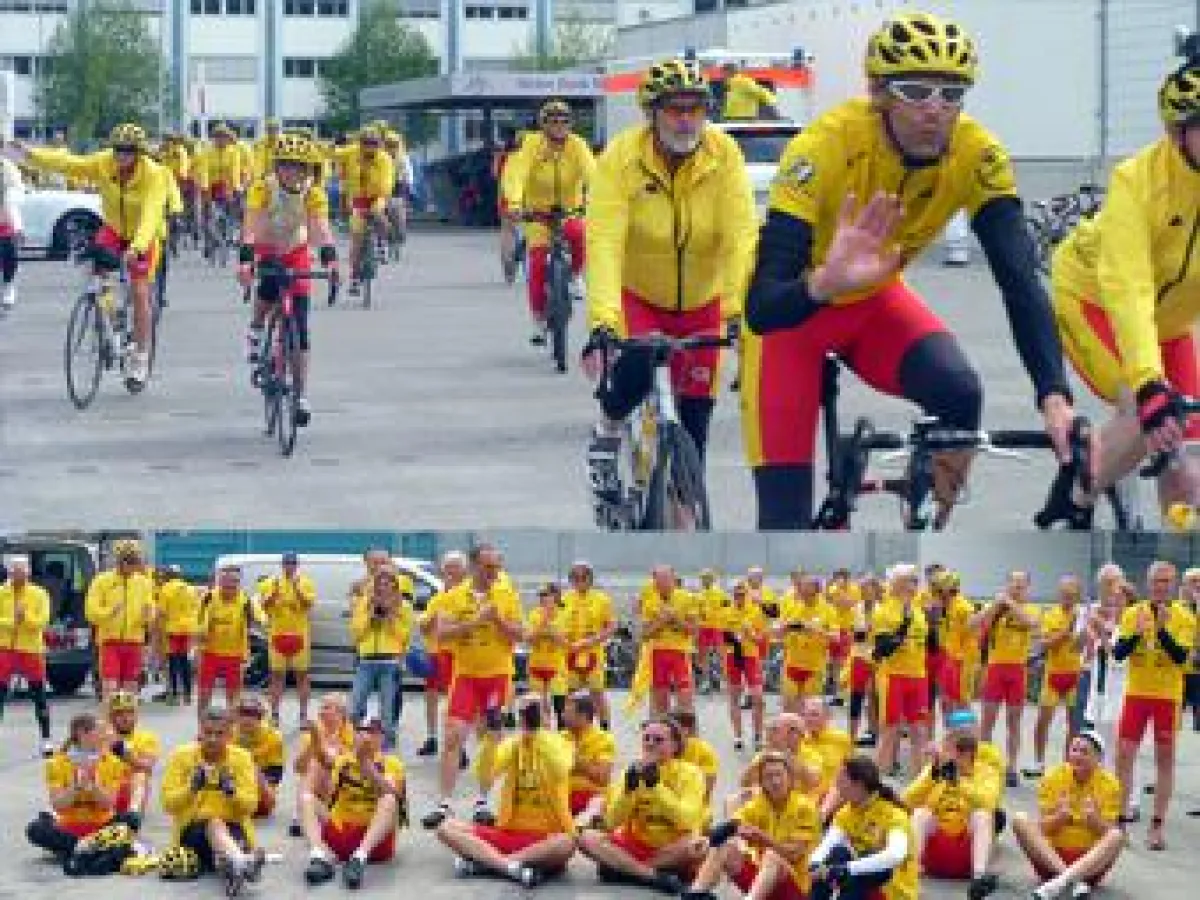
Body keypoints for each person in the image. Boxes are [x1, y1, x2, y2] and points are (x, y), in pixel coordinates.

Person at [742, 10, 1082, 529]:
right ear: (878, 93)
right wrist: (825, 283)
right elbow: (762, 307)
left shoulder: (977, 154)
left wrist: (1053, 395)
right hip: (794, 317)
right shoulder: (823, 145)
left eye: (951, 94)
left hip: (875, 303)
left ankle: (929, 532)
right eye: (916, 90)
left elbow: (1019, 280)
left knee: (960, 395)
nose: (935, 110)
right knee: (783, 524)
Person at [582, 57, 756, 510]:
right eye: (674, 109)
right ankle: (609, 429)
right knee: (634, 371)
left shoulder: (725, 156)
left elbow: (742, 237)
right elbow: (603, 242)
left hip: (704, 298)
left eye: (695, 108)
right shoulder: (620, 159)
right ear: (652, 114)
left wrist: (739, 312)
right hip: (639, 293)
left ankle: (684, 517)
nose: (685, 119)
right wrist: (603, 320)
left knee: (695, 422)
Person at [1049, 51, 1200, 516]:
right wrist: (1148, 384)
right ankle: (1074, 499)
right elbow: (1129, 290)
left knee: (1190, 460)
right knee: (1145, 415)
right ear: (1178, 135)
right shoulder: (1136, 183)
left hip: (1170, 324)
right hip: (1094, 301)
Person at [10, 124, 168, 387]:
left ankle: (140, 356)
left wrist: (137, 247)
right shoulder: (104, 163)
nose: (121, 155)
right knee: (96, 269)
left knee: (140, 292)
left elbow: (151, 214)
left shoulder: (155, 175)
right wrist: (31, 154)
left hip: (143, 235)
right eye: (118, 149)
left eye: (128, 151)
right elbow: (69, 163)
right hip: (115, 229)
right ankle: (106, 312)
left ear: (139, 153)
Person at [238, 133, 339, 426]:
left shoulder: (313, 192)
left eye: (298, 166)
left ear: (307, 169)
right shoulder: (262, 189)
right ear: (276, 167)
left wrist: (330, 259)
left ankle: (301, 394)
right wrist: (246, 261)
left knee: (301, 328)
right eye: (285, 165)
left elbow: (320, 229)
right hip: (266, 247)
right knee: (268, 289)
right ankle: (256, 331)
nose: (291, 172)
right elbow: (251, 227)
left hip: (295, 250)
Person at [421, 543, 523, 830]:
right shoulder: (454, 596)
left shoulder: (506, 594)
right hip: (465, 676)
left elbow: (521, 633)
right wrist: (475, 622)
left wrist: (498, 620)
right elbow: (441, 633)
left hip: (496, 676)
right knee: (453, 736)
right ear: (475, 567)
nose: (494, 572)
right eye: (488, 567)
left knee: (490, 736)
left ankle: (484, 801)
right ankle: (444, 803)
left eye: (497, 567)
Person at [434, 692, 577, 888]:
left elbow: (561, 769)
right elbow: (486, 774)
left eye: (534, 711)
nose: (530, 717)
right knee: (445, 828)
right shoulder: (513, 745)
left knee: (567, 843)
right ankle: (508, 866)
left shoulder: (562, 743)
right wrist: (492, 737)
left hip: (545, 839)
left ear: (548, 716)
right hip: (508, 833)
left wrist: (537, 734)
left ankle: (487, 864)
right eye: (526, 712)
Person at [1111, 560, 1196, 850]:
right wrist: (1137, 632)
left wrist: (1160, 630)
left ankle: (1157, 826)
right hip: (1137, 693)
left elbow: (1179, 657)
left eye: (1167, 581)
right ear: (1148, 583)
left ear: (1173, 585)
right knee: (1123, 755)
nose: (1161, 586)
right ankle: (1119, 822)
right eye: (1157, 581)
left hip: (1167, 696)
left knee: (1165, 759)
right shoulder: (1133, 612)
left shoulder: (1184, 615)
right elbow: (1119, 653)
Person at [577, 716, 707, 894]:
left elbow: (687, 820)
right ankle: (652, 876)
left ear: (675, 746)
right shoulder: (630, 771)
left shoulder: (691, 773)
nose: (650, 744)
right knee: (586, 838)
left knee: (699, 845)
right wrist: (628, 791)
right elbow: (612, 823)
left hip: (672, 848)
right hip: (636, 844)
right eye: (646, 738)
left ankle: (626, 871)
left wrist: (656, 787)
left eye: (658, 740)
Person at [500, 98, 594, 345]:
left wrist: (597, 199)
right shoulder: (530, 145)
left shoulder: (578, 145)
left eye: (564, 121)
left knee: (578, 232)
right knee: (538, 266)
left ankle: (574, 275)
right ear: (543, 125)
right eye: (552, 122)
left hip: (570, 210)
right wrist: (514, 203)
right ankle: (539, 320)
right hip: (537, 214)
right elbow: (515, 174)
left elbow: (592, 173)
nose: (559, 126)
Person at [683, 750, 819, 900]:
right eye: (769, 777)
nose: (775, 781)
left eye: (779, 775)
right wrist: (706, 841)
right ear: (761, 783)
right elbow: (734, 823)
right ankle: (695, 893)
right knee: (725, 845)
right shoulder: (759, 803)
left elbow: (793, 855)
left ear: (790, 778)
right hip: (762, 880)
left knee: (772, 856)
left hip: (795, 887)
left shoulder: (805, 807)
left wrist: (763, 839)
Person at [161, 707, 265, 897]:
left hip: (234, 828)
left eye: (219, 734)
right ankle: (241, 861)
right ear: (199, 731)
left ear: (230, 735)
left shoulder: (241, 757)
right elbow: (167, 804)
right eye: (208, 732)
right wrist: (191, 789)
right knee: (214, 823)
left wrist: (232, 792)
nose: (213, 739)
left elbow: (251, 805)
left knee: (222, 842)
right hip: (191, 831)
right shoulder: (181, 756)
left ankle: (235, 867)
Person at [1011, 731, 1125, 900]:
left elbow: (1108, 833)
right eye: (1074, 750)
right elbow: (1040, 829)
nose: (1077, 756)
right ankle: (1067, 880)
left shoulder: (1110, 784)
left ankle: (1058, 884)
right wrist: (1059, 818)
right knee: (1020, 819)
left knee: (1117, 835)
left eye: (1084, 752)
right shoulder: (1053, 777)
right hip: (1050, 860)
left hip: (1089, 866)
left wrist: (1095, 821)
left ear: (1098, 758)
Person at [301, 716, 407, 889]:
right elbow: (320, 757)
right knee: (307, 799)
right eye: (361, 731)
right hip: (341, 834)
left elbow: (393, 794)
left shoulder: (392, 763)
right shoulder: (343, 760)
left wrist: (366, 764)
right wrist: (315, 734)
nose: (365, 736)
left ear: (381, 737)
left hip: (374, 842)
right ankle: (320, 857)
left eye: (372, 732)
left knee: (389, 799)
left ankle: (358, 860)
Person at [905, 729, 1001, 899]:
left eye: (948, 750)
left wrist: (958, 781)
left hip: (967, 840)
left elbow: (988, 802)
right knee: (920, 814)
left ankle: (979, 878)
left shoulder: (987, 772)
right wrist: (932, 775)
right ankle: (909, 872)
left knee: (982, 816)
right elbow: (907, 800)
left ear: (966, 754)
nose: (943, 755)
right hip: (938, 840)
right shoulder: (935, 769)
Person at [807, 755, 918, 900]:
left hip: (892, 891)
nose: (836, 786)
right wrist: (815, 864)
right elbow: (827, 845)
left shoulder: (893, 814)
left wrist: (848, 869)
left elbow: (895, 855)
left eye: (841, 781)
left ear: (858, 785)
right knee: (836, 854)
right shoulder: (846, 812)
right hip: (861, 887)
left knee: (861, 865)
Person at [27, 713, 127, 860]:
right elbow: (58, 805)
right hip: (68, 825)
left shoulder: (113, 762)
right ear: (82, 733)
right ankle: (83, 846)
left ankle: (75, 848)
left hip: (101, 824)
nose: (104, 737)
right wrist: (75, 787)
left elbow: (109, 805)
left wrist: (93, 787)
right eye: (100, 732)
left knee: (131, 819)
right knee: (35, 829)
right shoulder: (56, 763)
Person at [973, 572, 1041, 787]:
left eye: (1021, 586)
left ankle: (1011, 767)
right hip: (996, 668)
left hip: (1017, 669)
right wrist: (995, 606)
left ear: (1027, 588)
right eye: (1014, 585)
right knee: (987, 721)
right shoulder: (997, 607)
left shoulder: (1031, 608)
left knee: (1014, 721)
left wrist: (1010, 603)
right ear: (1007, 585)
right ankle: (983, 764)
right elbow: (973, 623)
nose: (1017, 589)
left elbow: (1031, 623)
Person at [871, 564, 931, 777]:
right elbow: (883, 649)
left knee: (920, 731)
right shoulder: (884, 609)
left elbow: (925, 643)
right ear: (896, 583)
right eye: (909, 580)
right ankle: (875, 786)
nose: (914, 585)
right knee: (890, 732)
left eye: (916, 580)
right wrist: (904, 622)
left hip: (919, 676)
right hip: (893, 676)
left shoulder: (918, 609)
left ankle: (922, 784)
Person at [348, 566, 414, 752]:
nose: (383, 586)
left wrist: (390, 616)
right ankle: (352, 742)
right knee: (354, 706)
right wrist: (370, 615)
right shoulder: (363, 602)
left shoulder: (404, 607)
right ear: (374, 584)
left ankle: (387, 748)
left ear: (395, 585)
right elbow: (356, 634)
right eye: (380, 582)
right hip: (366, 661)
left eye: (388, 583)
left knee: (387, 711)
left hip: (390, 662)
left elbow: (404, 637)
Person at [1026, 576, 1086, 777]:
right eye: (1064, 594)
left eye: (1071, 594)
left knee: (1074, 724)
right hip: (1053, 673)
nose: (1067, 598)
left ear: (1078, 595)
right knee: (1043, 720)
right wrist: (1067, 631)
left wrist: (1080, 631)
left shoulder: (1084, 616)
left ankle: (1069, 764)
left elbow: (1083, 645)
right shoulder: (1051, 614)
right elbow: (1045, 644)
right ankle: (1039, 762)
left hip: (1075, 674)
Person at [85, 539, 157, 698]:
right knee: (110, 689)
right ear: (119, 561)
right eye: (129, 561)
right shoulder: (101, 581)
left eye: (135, 561)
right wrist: (110, 612)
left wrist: (149, 615)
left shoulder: (144, 583)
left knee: (130, 690)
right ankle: (109, 722)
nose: (134, 566)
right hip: (110, 641)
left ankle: (129, 722)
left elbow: (150, 608)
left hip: (134, 641)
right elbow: (91, 611)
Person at [254, 552, 316, 725]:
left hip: (299, 636)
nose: (289, 567)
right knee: (276, 675)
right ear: (282, 565)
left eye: (292, 564)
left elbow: (308, 605)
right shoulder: (270, 583)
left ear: (297, 565)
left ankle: (303, 715)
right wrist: (273, 595)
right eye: (287, 563)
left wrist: (297, 589)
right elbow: (264, 607)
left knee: (302, 676)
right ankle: (274, 714)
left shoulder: (306, 582)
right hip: (277, 635)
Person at [416, 550, 469, 758]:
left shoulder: (468, 596)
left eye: (455, 566)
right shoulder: (437, 597)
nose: (450, 571)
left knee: (456, 701)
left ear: (464, 570)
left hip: (459, 655)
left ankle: (459, 746)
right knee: (431, 697)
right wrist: (431, 620)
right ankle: (432, 738)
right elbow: (424, 626)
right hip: (436, 653)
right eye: (448, 567)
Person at [0, 554, 53, 756]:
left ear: (29, 572)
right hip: (4, 648)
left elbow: (42, 622)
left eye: (22, 572)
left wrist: (26, 618)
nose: (18, 576)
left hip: (31, 649)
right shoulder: (1, 592)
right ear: (9, 572)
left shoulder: (39, 594)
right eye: (14, 572)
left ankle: (46, 739)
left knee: (39, 694)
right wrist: (12, 621)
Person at [334, 125, 394, 295]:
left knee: (377, 212)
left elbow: (387, 184)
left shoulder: (384, 159)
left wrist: (375, 203)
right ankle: (354, 278)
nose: (369, 147)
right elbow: (334, 153)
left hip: (377, 197)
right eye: (365, 143)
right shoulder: (352, 152)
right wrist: (326, 146)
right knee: (356, 239)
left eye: (373, 143)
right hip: (358, 199)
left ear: (378, 144)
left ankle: (383, 243)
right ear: (360, 143)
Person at [196, 564, 263, 716]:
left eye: (233, 584)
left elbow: (258, 619)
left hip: (235, 654)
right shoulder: (209, 598)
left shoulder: (245, 600)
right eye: (225, 584)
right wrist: (199, 641)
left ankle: (231, 728)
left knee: (233, 695)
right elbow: (199, 623)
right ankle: (202, 726)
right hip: (210, 653)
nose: (229, 589)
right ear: (220, 583)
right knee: (204, 692)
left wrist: (260, 617)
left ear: (238, 584)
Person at [638, 564, 700, 716]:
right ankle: (662, 729)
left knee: (685, 697)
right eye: (659, 580)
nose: (663, 583)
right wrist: (661, 622)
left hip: (679, 652)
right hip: (657, 652)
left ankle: (688, 733)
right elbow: (645, 634)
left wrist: (675, 619)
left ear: (674, 579)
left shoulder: (687, 598)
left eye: (666, 579)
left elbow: (694, 630)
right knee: (660, 697)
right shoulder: (650, 600)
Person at [290, 692, 355, 837]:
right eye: (321, 708)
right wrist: (313, 744)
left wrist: (322, 747)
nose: (320, 712)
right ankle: (303, 811)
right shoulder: (312, 733)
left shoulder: (352, 735)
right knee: (312, 765)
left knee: (319, 763)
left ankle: (303, 813)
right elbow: (298, 768)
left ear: (341, 713)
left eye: (326, 708)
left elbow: (344, 768)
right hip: (317, 789)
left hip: (342, 789)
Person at [562, 560, 617, 729]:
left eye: (584, 577)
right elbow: (557, 624)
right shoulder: (564, 599)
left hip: (593, 652)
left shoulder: (602, 599)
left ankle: (604, 728)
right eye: (576, 577)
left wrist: (593, 640)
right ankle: (572, 727)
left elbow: (612, 626)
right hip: (570, 652)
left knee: (597, 692)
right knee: (570, 692)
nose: (580, 580)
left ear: (591, 579)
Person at [777, 573, 837, 712]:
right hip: (792, 663)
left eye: (805, 586)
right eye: (800, 586)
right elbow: (777, 632)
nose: (800, 589)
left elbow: (835, 637)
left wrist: (817, 630)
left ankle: (806, 733)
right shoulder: (792, 607)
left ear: (816, 589)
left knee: (808, 709)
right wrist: (784, 627)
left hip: (814, 667)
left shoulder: (828, 610)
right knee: (788, 708)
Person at [721, 580, 769, 752]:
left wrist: (750, 633)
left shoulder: (756, 612)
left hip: (750, 656)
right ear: (732, 595)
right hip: (733, 656)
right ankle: (738, 735)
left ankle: (757, 735)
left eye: (742, 594)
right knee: (734, 696)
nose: (739, 597)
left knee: (758, 697)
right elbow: (723, 638)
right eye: (736, 594)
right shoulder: (726, 612)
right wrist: (735, 638)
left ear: (747, 594)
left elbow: (760, 639)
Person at [104, 690, 160, 831]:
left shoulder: (147, 738)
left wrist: (123, 752)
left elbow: (147, 765)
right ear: (111, 717)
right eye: (119, 714)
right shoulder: (101, 737)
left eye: (129, 713)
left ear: (136, 715)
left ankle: (132, 814)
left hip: (132, 789)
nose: (125, 718)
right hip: (107, 789)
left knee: (140, 775)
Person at [562, 691, 616, 822]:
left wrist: (576, 761)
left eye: (568, 713)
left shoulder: (603, 739)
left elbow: (603, 778)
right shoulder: (560, 737)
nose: (562, 716)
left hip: (591, 796)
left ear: (583, 716)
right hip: (562, 797)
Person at [232, 695, 285, 820]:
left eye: (253, 715)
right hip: (233, 780)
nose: (247, 719)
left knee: (253, 769)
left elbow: (275, 774)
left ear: (260, 717)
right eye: (243, 714)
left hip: (261, 781)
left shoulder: (273, 737)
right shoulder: (227, 734)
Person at [526, 581, 569, 724]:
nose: (542, 599)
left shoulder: (564, 614)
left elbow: (563, 641)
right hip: (536, 665)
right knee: (539, 706)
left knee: (560, 706)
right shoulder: (533, 614)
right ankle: (545, 735)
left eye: (546, 595)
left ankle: (563, 737)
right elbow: (529, 639)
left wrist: (545, 632)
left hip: (556, 666)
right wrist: (544, 625)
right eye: (541, 596)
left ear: (555, 596)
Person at [846, 575, 881, 748]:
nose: (866, 592)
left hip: (877, 658)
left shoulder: (882, 609)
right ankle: (850, 737)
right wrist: (860, 632)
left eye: (869, 588)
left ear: (876, 590)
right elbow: (852, 633)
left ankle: (876, 733)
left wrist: (867, 632)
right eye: (863, 589)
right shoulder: (856, 608)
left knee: (876, 697)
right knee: (856, 696)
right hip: (860, 656)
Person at [157, 564, 200, 706]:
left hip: (173, 629)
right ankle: (188, 694)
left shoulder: (166, 589)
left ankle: (174, 694)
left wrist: (159, 630)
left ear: (168, 576)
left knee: (173, 661)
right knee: (185, 661)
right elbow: (196, 608)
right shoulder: (190, 589)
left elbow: (162, 612)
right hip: (188, 629)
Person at [695, 569, 730, 695]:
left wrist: (726, 624)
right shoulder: (699, 595)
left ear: (713, 579)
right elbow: (696, 612)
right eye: (704, 578)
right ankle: (706, 681)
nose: (705, 580)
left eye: (708, 578)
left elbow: (728, 609)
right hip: (703, 628)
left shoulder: (721, 594)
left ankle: (727, 682)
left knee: (722, 655)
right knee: (702, 656)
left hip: (718, 627)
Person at [0, 145, 25, 314]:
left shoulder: (7, 168)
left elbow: (16, 195)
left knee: (8, 256)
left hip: (3, 220)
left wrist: (17, 226)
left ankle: (8, 286)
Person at [1182, 567, 1200, 733]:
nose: (1197, 585)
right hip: (1179, 668)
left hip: (1198, 670)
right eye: (1193, 581)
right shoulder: (1176, 608)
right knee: (1174, 717)